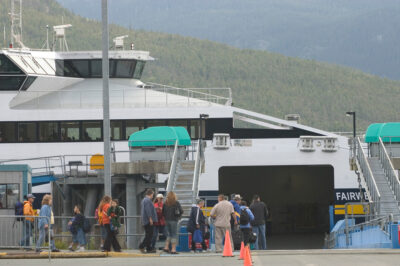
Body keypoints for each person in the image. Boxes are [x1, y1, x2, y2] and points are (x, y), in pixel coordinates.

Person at [139, 189, 158, 253]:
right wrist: (150, 218)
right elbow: (148, 210)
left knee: (149, 234)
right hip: (148, 220)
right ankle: (142, 246)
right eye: (152, 194)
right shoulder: (147, 200)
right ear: (150, 194)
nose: (153, 196)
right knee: (149, 235)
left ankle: (149, 248)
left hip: (145, 220)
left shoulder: (144, 200)